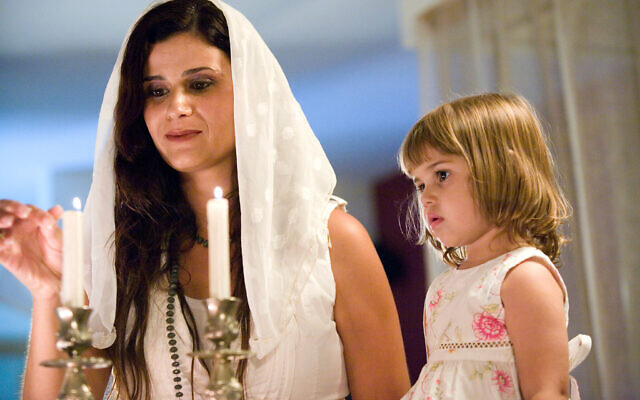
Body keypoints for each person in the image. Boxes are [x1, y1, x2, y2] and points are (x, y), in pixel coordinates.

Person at [0, 0, 410, 398]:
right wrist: (49, 293)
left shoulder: (332, 242)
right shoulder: (117, 248)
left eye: (200, 84)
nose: (177, 107)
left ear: (251, 93)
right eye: (156, 92)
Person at [397, 93, 591, 399]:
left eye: (441, 175)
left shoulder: (523, 277)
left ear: (502, 169)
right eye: (420, 184)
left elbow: (547, 391)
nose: (425, 197)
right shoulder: (442, 288)